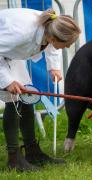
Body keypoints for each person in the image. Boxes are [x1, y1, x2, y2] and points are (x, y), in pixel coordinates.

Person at [0, 8, 81, 172]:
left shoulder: (52, 26)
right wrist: (7, 81)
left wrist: (54, 68)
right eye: (66, 44)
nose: (66, 48)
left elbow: (52, 43)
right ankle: (14, 160)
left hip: (8, 53)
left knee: (27, 96)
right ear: (53, 37)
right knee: (13, 99)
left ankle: (32, 152)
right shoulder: (21, 33)